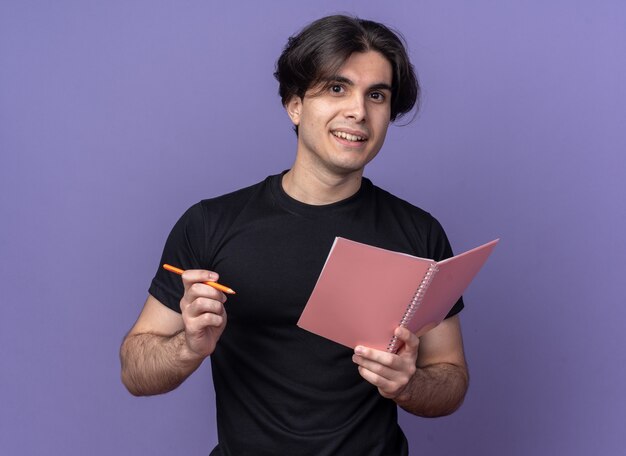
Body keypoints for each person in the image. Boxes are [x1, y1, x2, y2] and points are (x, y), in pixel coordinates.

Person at [120, 14, 469, 455]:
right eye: (336, 88)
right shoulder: (211, 224)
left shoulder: (419, 233)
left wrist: (408, 383)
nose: (358, 111)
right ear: (295, 103)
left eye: (376, 95)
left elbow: (451, 378)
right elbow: (135, 370)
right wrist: (188, 347)